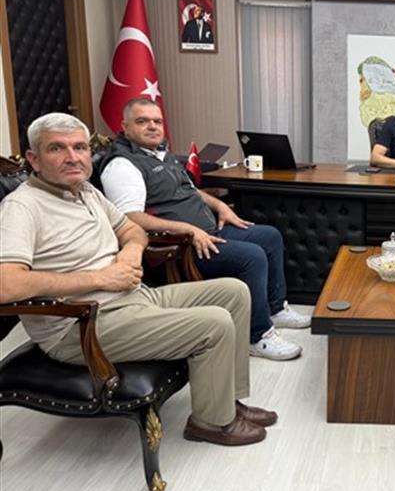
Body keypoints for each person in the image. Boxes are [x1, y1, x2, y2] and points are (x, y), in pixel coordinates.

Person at [0, 113, 276, 446]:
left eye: (80, 147)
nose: (73, 157)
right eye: (57, 148)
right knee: (214, 323)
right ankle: (211, 423)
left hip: (132, 296)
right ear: (34, 159)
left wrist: (130, 255)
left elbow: (132, 229)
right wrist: (102, 277)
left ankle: (226, 401)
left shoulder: (85, 190)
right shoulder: (22, 207)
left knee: (233, 292)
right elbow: (7, 285)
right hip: (82, 325)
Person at [99, 98, 309, 361]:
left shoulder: (162, 154)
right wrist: (188, 229)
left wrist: (220, 206)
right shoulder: (122, 165)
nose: (152, 127)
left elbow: (190, 191)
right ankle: (257, 336)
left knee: (269, 236)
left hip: (207, 234)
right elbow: (130, 218)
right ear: (125, 127)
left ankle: (274, 310)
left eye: (157, 121)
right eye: (142, 121)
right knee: (252, 256)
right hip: (179, 247)